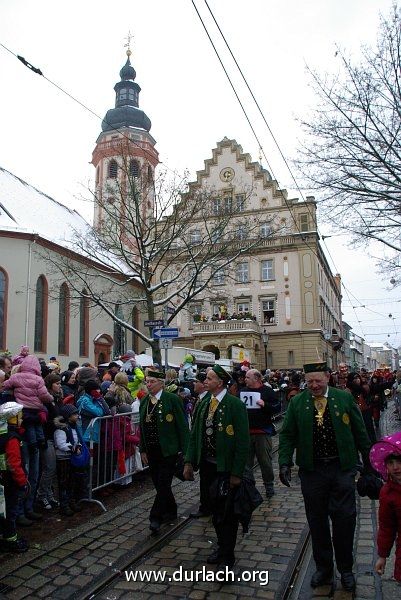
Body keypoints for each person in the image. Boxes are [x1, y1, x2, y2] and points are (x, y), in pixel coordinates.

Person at [278, 361, 372, 593]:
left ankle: (346, 569)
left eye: (318, 380)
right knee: (317, 521)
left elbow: (360, 431)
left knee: (344, 520)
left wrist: (369, 463)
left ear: (328, 378)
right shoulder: (298, 402)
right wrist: (284, 462)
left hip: (341, 469)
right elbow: (288, 434)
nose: (314, 385)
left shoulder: (344, 398)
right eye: (309, 381)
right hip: (312, 472)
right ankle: (323, 568)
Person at [184, 365, 250, 570]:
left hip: (225, 469)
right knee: (214, 511)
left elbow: (242, 441)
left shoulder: (234, 405)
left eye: (209, 378)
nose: (205, 380)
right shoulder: (204, 404)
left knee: (227, 514)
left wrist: (236, 472)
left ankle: (228, 556)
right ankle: (222, 547)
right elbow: (195, 435)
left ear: (220, 383)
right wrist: (189, 461)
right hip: (207, 467)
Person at [139, 370, 189, 533]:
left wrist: (185, 451)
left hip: (168, 450)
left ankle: (155, 517)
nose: (149, 384)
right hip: (152, 450)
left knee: (163, 483)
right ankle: (171, 509)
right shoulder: (145, 401)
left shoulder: (172, 400)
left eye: (152, 381)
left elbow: (182, 426)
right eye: (147, 381)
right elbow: (142, 428)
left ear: (161, 383)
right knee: (159, 484)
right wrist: (143, 449)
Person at [243, 368, 280, 498]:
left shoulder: (267, 391)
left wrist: (265, 405)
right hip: (246, 433)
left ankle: (269, 485)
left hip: (262, 432)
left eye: (247, 377)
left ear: (256, 379)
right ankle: (248, 487)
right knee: (246, 464)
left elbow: (277, 407)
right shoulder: (243, 391)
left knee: (265, 461)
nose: (245, 379)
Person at [370, 431, 401, 583]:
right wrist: (382, 555)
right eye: (391, 463)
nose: (396, 467)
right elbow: (387, 527)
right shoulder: (388, 493)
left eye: (399, 461)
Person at [0, 402, 29, 552]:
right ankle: (10, 539)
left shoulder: (3, 434)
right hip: (11, 482)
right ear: (13, 418)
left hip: (3, 480)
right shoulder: (12, 438)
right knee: (11, 511)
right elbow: (14, 463)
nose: (22, 419)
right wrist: (22, 481)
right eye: (20, 416)